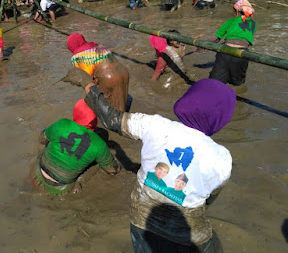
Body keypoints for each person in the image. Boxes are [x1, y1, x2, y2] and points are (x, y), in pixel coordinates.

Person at [62, 70, 236, 253]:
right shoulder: (223, 158)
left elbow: (112, 119)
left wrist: (86, 83)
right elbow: (209, 199)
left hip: (141, 221)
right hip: (189, 236)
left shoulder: (154, 125)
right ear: (221, 119)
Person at [30, 99, 120, 195]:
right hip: (61, 188)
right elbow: (112, 170)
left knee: (48, 143)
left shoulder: (62, 123)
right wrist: (116, 165)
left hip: (37, 174)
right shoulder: (99, 144)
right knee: (100, 163)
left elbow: (42, 139)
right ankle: (79, 184)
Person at [66, 33, 130, 111]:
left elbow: (87, 79)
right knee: (121, 105)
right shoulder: (97, 45)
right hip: (123, 71)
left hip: (107, 77)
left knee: (109, 111)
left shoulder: (76, 56)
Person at [209, 0, 256, 86]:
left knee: (216, 81)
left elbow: (216, 38)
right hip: (242, 53)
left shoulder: (230, 21)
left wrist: (202, 45)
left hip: (225, 51)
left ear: (237, 11)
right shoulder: (253, 24)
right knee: (237, 82)